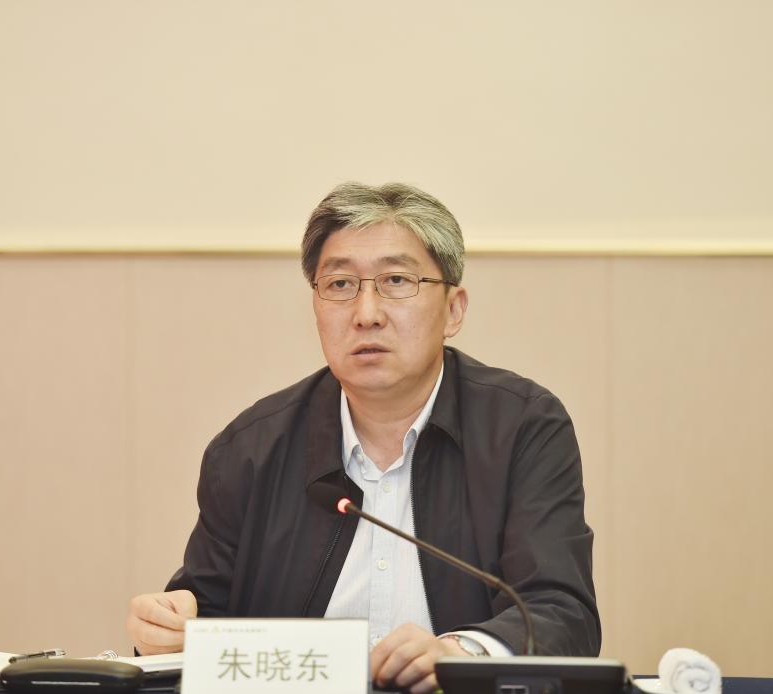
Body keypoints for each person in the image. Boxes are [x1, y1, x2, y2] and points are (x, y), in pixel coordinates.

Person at [127, 182, 600, 693]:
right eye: (340, 285)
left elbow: (560, 612)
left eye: (396, 280)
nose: (366, 312)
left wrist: (462, 654)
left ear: (454, 310)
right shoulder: (249, 452)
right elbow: (203, 623)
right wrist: (168, 630)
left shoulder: (523, 428)